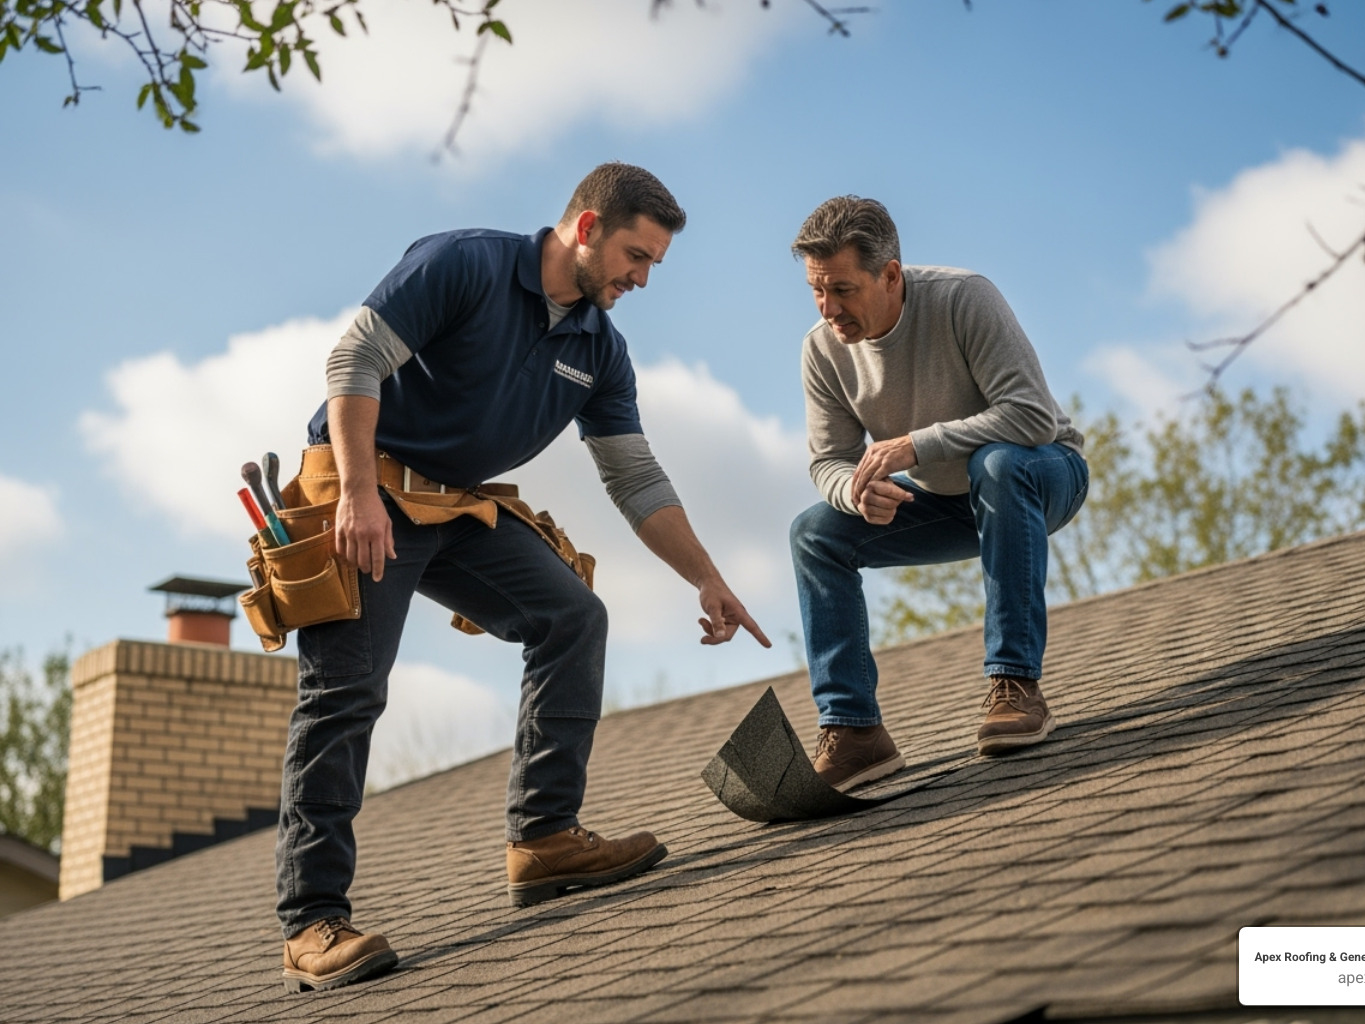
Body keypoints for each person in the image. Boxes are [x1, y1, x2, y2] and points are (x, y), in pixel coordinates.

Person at [275, 163, 770, 992]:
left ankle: (542, 839)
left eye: (654, 264)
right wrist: (357, 495)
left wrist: (707, 580)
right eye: (635, 256)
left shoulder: (598, 350)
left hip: (457, 508)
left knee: (573, 615)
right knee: (347, 688)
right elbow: (354, 360)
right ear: (585, 228)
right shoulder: (462, 263)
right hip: (364, 486)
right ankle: (310, 922)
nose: (642, 278)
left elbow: (635, 480)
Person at [788, 195, 1088, 793]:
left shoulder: (963, 298)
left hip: (1041, 474)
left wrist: (917, 446)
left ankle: (1015, 684)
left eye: (842, 290)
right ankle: (854, 732)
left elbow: (1031, 417)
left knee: (997, 463)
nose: (828, 310)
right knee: (814, 533)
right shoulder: (822, 350)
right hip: (948, 503)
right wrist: (855, 494)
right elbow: (828, 461)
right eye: (817, 291)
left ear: (890, 274)